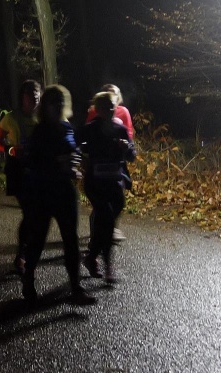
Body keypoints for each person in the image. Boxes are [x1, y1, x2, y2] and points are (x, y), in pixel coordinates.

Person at [21, 85, 95, 305]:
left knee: (71, 240)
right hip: (43, 191)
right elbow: (31, 161)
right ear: (46, 105)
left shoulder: (67, 127)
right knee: (37, 239)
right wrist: (56, 162)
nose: (60, 106)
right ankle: (28, 280)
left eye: (62, 101)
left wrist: (74, 165)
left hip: (64, 190)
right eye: (55, 102)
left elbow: (73, 152)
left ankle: (76, 288)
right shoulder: (40, 131)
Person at [78, 92, 136, 283]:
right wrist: (83, 158)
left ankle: (91, 256)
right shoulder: (89, 129)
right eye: (106, 107)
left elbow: (131, 155)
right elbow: (73, 145)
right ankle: (108, 266)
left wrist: (126, 147)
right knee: (107, 219)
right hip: (95, 182)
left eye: (113, 106)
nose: (111, 110)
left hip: (113, 181)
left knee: (111, 217)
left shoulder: (120, 129)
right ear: (98, 109)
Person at [0, 80, 41, 273]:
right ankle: (21, 255)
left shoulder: (44, 117)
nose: (34, 96)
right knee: (29, 212)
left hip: (38, 169)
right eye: (30, 93)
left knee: (35, 214)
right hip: (18, 170)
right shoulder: (11, 118)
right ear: (23, 97)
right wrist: (10, 149)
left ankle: (28, 251)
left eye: (37, 92)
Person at [85, 83, 134, 242]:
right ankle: (98, 237)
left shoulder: (123, 112)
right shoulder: (94, 113)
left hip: (116, 161)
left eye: (114, 94)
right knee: (101, 203)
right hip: (98, 163)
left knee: (117, 200)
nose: (110, 97)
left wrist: (127, 148)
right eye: (107, 93)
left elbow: (128, 134)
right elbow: (85, 136)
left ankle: (109, 227)